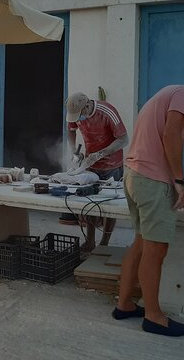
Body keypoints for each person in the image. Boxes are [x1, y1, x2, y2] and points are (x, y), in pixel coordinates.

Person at [114, 81, 184, 337]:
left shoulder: (164, 95)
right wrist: (180, 183)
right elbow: (170, 135)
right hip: (151, 181)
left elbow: (162, 142)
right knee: (155, 250)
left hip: (135, 176)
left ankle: (124, 305)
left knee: (140, 243)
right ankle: (154, 317)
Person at [59, 92, 128, 252]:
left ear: (88, 105)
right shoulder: (76, 114)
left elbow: (124, 139)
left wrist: (101, 154)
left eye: (80, 115)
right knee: (90, 202)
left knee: (110, 205)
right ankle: (90, 241)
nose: (78, 119)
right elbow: (71, 130)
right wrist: (73, 151)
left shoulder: (107, 112)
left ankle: (104, 242)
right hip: (90, 163)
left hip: (112, 164)